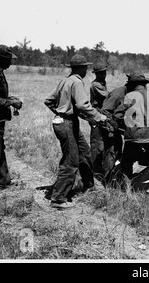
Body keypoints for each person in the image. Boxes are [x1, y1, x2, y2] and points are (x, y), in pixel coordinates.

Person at [44, 54, 107, 209]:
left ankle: (89, 185)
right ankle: (58, 199)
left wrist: (61, 111)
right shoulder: (77, 83)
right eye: (85, 67)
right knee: (71, 161)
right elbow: (83, 105)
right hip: (67, 124)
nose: (86, 70)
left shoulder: (64, 81)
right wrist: (99, 117)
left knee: (85, 153)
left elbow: (48, 101)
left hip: (66, 122)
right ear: (80, 68)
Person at [113, 74, 149, 198]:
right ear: (145, 84)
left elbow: (117, 115)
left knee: (127, 164)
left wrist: (127, 126)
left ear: (132, 85)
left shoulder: (128, 97)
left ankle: (127, 193)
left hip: (133, 138)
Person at [0, 45, 23, 193]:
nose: (11, 63)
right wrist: (10, 102)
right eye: (9, 60)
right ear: (1, 59)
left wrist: (9, 98)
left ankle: (4, 180)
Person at [89, 62, 109, 178]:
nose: (104, 74)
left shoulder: (102, 83)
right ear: (97, 74)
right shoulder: (96, 85)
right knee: (97, 146)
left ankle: (98, 171)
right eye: (101, 73)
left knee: (102, 144)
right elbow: (106, 96)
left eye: (104, 72)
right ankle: (95, 173)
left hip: (101, 114)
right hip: (96, 115)